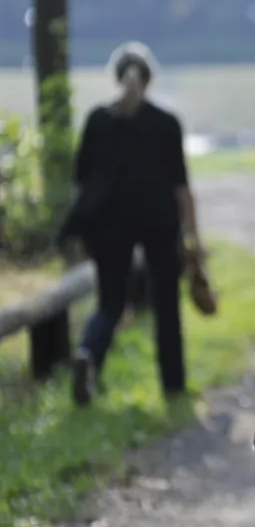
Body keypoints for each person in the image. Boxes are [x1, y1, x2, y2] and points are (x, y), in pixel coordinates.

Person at [61, 42, 204, 405]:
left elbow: (81, 181)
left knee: (109, 303)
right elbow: (182, 188)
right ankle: (173, 386)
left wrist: (81, 231)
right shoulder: (166, 123)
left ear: (117, 77)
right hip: (160, 224)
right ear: (149, 78)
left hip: (108, 226)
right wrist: (194, 238)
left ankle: (89, 354)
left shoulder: (97, 120)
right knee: (167, 307)